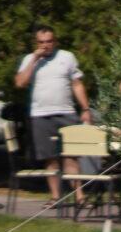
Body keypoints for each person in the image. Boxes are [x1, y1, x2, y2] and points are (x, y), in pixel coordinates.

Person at [13, 25, 91, 205]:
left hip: (66, 112)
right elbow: (20, 83)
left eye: (49, 42)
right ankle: (55, 196)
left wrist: (85, 109)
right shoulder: (30, 60)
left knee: (71, 156)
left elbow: (77, 84)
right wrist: (34, 59)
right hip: (41, 114)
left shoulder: (66, 57)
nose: (45, 45)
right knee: (49, 157)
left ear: (55, 41)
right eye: (41, 42)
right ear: (36, 43)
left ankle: (80, 196)